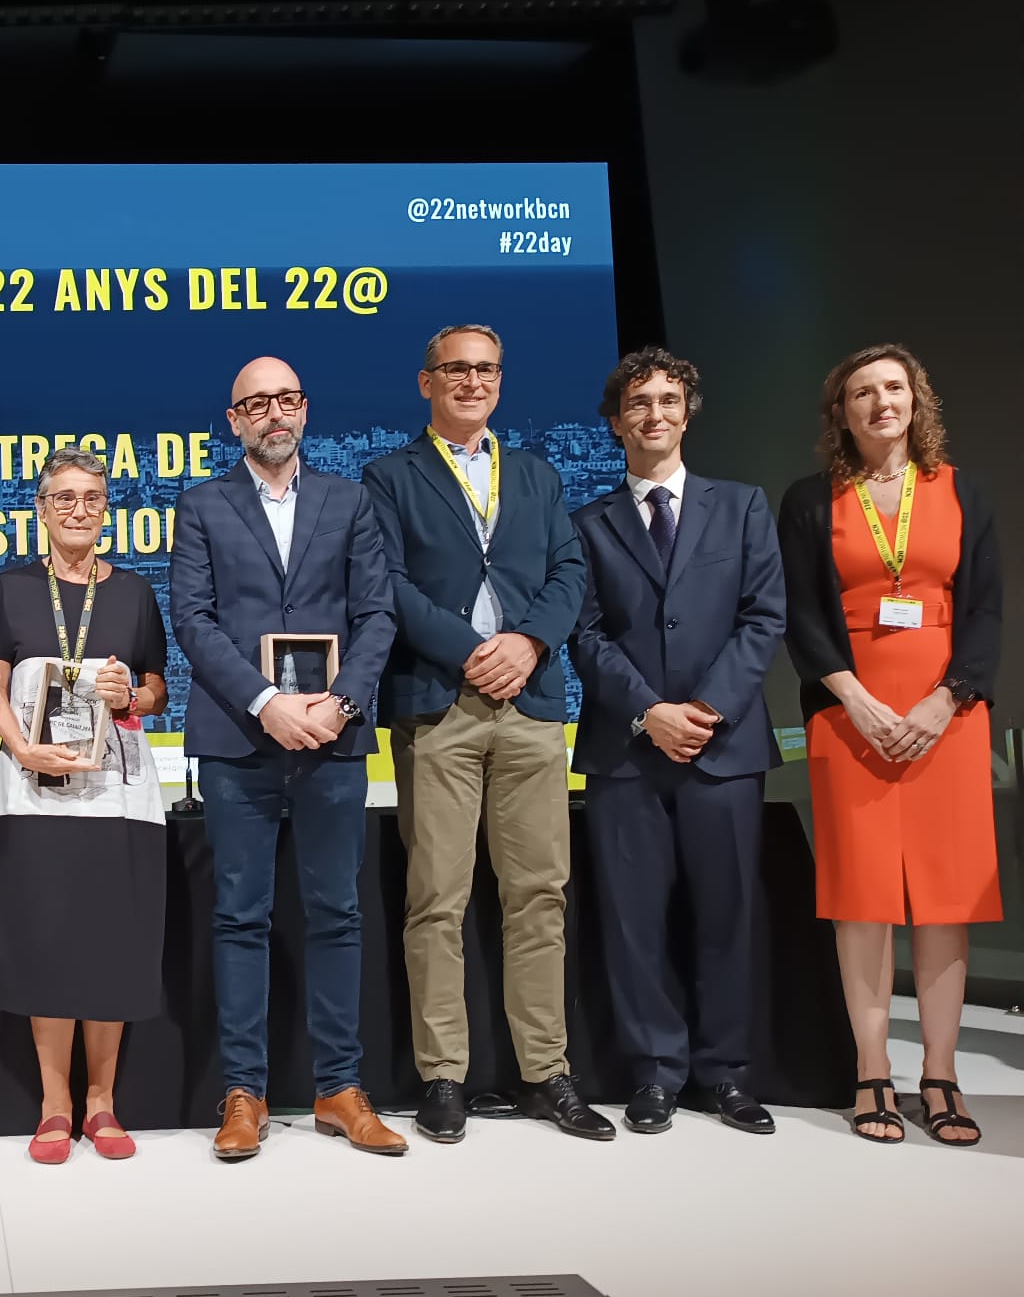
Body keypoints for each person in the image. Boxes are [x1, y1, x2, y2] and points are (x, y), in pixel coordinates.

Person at [365, 324, 611, 1143]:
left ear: (500, 382)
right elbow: (388, 586)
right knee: (437, 898)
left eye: (486, 370)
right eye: (456, 370)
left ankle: (546, 1072)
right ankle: (444, 1077)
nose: (472, 382)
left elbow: (571, 572)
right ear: (427, 382)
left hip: (532, 706)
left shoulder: (538, 474)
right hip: (440, 705)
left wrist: (530, 642)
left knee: (539, 895)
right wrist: (471, 651)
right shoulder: (387, 476)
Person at [170, 356, 405, 1162]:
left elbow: (377, 614)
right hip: (241, 741)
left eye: (285, 399)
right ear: (231, 419)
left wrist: (336, 705)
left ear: (305, 409)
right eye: (255, 403)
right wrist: (268, 704)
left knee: (338, 914)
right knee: (241, 917)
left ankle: (340, 1088)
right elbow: (193, 622)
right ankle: (245, 1094)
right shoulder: (201, 505)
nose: (273, 413)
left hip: (334, 738)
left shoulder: (351, 500)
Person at [778, 343, 1000, 1148]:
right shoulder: (811, 501)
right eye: (862, 393)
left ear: (917, 400)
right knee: (863, 901)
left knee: (946, 901)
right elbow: (802, 615)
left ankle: (941, 1074)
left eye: (894, 388)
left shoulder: (960, 492)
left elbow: (983, 613)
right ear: (841, 412)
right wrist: (857, 701)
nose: (881, 403)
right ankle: (873, 1070)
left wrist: (948, 700)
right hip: (851, 717)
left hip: (949, 719)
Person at [570, 348, 784, 1135]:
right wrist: (649, 712)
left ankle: (726, 1074)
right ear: (616, 420)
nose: (653, 414)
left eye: (667, 400)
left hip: (724, 750)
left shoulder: (743, 507)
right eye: (638, 403)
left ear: (688, 412)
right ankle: (655, 1073)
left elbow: (764, 618)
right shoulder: (585, 524)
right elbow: (585, 636)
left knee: (726, 915)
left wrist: (707, 710)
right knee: (635, 921)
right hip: (628, 751)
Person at [0, 448, 170, 1164]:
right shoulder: (11, 588)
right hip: (32, 791)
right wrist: (17, 747)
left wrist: (136, 697)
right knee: (48, 942)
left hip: (116, 794)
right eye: (63, 498)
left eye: (91, 498)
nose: (78, 510)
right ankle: (53, 1105)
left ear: (105, 508)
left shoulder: (133, 594)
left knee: (110, 943)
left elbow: (157, 690)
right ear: (40, 507)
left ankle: (102, 1104)